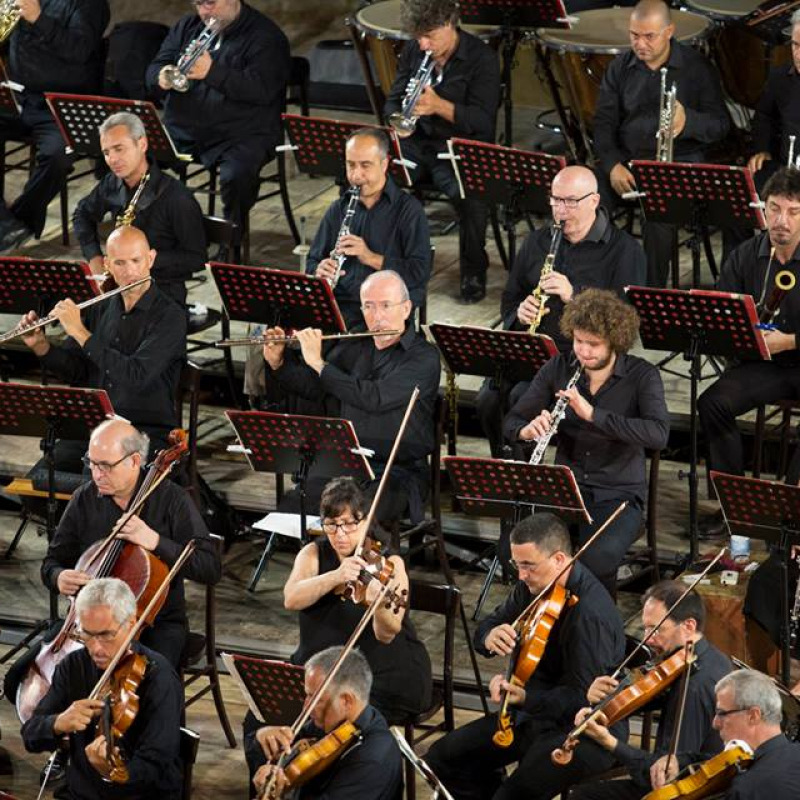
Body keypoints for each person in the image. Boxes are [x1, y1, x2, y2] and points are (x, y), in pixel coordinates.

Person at [424, 513, 626, 800]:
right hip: (532, 715)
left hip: (580, 730)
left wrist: (525, 699)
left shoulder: (589, 616)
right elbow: (488, 625)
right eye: (516, 565)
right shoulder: (533, 586)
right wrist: (489, 636)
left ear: (559, 560)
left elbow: (583, 698)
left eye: (528, 566)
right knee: (442, 758)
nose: (520, 576)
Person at [503, 289, 669, 594]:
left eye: (593, 344)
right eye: (578, 341)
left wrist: (594, 415)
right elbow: (513, 421)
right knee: (523, 548)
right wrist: (527, 431)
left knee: (596, 559)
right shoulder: (559, 368)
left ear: (615, 342)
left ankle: (597, 633)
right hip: (565, 490)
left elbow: (658, 434)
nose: (583, 351)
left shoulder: (642, 376)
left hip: (618, 496)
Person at [476, 165, 647, 456]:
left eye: (570, 201)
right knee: (488, 398)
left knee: (521, 398)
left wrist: (574, 295)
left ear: (593, 201)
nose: (560, 210)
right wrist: (520, 312)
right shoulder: (536, 242)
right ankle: (505, 465)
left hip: (579, 359)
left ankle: (527, 480)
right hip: (531, 348)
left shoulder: (624, 250)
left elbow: (627, 323)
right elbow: (510, 298)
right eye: (555, 200)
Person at [40, 419, 221, 669]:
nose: (96, 474)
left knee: (155, 680)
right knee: (22, 672)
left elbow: (209, 567)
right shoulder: (85, 497)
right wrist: (58, 577)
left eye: (105, 466)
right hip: (89, 624)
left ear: (134, 461)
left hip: (155, 625)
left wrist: (155, 541)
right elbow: (51, 563)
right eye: (91, 464)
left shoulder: (172, 500)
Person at [262, 270, 440, 524]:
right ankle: (318, 561)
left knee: (354, 518)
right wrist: (279, 363)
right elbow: (316, 388)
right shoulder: (354, 343)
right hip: (346, 465)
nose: (377, 316)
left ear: (407, 308)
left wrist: (320, 364)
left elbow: (374, 398)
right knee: (293, 511)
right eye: (369, 306)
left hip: (395, 471)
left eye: (386, 306)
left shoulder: (424, 358)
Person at [593, 0, 729, 286]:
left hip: (678, 166)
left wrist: (687, 121)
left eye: (649, 36)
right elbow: (603, 125)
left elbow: (721, 126)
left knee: (658, 215)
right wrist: (612, 165)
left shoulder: (696, 67)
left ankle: (650, 295)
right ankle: (599, 283)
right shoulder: (619, 68)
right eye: (634, 35)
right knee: (587, 199)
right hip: (629, 164)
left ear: (669, 31)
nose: (640, 44)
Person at [19, 225, 187, 457]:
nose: (129, 272)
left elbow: (136, 376)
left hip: (143, 431)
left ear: (151, 259)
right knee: (40, 479)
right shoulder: (100, 307)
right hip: (96, 426)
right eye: (120, 263)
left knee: (97, 476)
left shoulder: (170, 317)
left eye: (136, 261)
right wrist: (41, 347)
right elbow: (76, 372)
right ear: (107, 264)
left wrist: (80, 332)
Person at [698, 167, 800, 535]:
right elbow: (724, 313)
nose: (781, 221)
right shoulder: (746, 255)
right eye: (774, 209)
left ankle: (790, 509)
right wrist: (743, 334)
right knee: (713, 402)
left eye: (793, 211)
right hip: (764, 364)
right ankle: (734, 506)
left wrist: (789, 341)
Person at [568, 580, 732, 800]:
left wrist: (611, 743)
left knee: (580, 797)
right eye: (645, 627)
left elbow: (667, 775)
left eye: (656, 629)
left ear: (689, 626)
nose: (647, 638)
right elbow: (641, 697)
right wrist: (601, 699)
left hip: (683, 792)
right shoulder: (704, 656)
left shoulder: (694, 687)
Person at [284, 476, 432, 721]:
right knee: (258, 718)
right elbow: (291, 598)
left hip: (381, 677)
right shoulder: (312, 554)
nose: (340, 534)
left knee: (334, 715)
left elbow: (388, 632)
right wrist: (335, 576)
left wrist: (378, 604)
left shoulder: (389, 564)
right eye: (331, 525)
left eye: (349, 524)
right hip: (323, 672)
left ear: (365, 521)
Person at [21, 577, 183, 799]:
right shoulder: (73, 665)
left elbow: (156, 765)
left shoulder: (158, 676)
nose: (96, 648)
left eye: (106, 635)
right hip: (81, 793)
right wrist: (58, 723)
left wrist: (113, 772)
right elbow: (30, 736)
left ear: (132, 624)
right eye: (87, 634)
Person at [384, 0, 500, 303]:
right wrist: (399, 122)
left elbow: (482, 121)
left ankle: (473, 271)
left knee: (473, 197)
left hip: (457, 149)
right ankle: (386, 266)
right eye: (417, 36)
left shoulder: (481, 58)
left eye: (429, 36)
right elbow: (393, 99)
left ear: (450, 24)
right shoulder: (414, 50)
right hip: (418, 142)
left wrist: (439, 107)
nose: (423, 44)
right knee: (376, 179)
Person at [146, 0, 290, 234]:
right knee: (131, 149)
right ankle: (150, 228)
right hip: (187, 127)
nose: (204, 11)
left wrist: (212, 72)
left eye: (210, 2)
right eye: (198, 3)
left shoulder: (266, 37)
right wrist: (160, 75)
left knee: (237, 175)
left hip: (242, 132)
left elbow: (262, 90)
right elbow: (156, 65)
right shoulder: (186, 26)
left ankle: (231, 239)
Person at [0, 0, 110, 252]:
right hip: (19, 97)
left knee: (57, 156)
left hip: (60, 105)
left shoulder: (89, 6)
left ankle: (17, 223)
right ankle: (5, 224)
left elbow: (79, 50)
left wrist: (39, 19)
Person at [73, 112, 207, 307]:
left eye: (119, 149)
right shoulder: (113, 182)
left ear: (142, 144)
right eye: (107, 152)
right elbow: (82, 214)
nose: (112, 159)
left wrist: (142, 262)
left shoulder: (177, 198)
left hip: (162, 292)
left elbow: (197, 258)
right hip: (119, 288)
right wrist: (94, 257)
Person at [306, 127, 431, 327]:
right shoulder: (338, 209)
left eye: (365, 166)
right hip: (340, 307)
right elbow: (312, 261)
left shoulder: (408, 211)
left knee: (342, 353)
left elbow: (419, 272)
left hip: (383, 316)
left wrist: (370, 257)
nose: (356, 175)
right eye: (351, 165)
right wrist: (319, 270)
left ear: (384, 164)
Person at [246, 646, 403, 800]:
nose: (305, 706)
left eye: (314, 698)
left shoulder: (372, 761)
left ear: (347, 700)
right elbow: (284, 749)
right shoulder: (334, 722)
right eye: (306, 695)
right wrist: (263, 741)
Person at [654, 669, 800, 799]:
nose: (715, 723)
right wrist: (679, 760)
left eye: (722, 713)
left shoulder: (744, 789)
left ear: (753, 716)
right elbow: (720, 760)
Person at [748, 10, 800, 191]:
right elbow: (764, 116)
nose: (798, 55)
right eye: (795, 45)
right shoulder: (780, 77)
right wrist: (763, 149)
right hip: (787, 168)